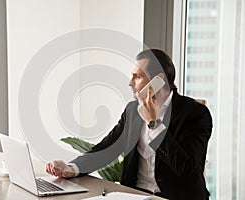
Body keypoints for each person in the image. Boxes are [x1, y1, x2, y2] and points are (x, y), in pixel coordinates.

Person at [46, 49, 213, 200]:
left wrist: (154, 123)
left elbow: (186, 168)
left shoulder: (196, 114)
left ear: (159, 81)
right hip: (137, 196)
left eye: (137, 77)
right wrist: (71, 168)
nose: (130, 83)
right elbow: (107, 149)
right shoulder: (133, 110)